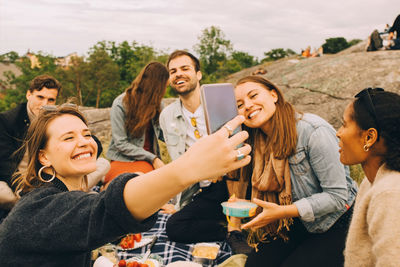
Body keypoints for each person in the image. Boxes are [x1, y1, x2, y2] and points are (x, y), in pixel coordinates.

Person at [0, 105, 251, 266]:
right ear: (43, 157)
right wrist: (190, 167)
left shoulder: (61, 197)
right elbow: (108, 208)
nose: (84, 142)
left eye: (86, 134)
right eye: (68, 137)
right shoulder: (39, 209)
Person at [229, 76, 358, 267]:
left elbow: (337, 196)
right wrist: (247, 204)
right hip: (295, 220)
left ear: (274, 95)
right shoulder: (258, 141)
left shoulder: (313, 130)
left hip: (337, 221)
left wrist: (282, 211)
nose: (247, 105)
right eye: (240, 105)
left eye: (253, 95)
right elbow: (278, 195)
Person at [160, 50, 243, 248]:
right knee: (175, 227)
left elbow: (242, 145)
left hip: (233, 181)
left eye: (185, 68)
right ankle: (226, 228)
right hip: (203, 189)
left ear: (198, 74)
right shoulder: (167, 115)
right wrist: (178, 203)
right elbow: (178, 162)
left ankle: (237, 225)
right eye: (173, 71)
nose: (178, 74)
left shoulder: (222, 103)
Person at [0, 75, 110, 222]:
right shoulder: (7, 120)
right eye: (40, 97)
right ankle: (42, 204)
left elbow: (92, 140)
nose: (44, 103)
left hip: (55, 175)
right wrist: (22, 191)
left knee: (104, 164)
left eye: (51, 99)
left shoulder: (57, 117)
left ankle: (62, 199)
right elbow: (5, 163)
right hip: (20, 179)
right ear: (28, 94)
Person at [336, 88, 400, 266]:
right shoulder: (371, 181)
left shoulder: (389, 193)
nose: (338, 133)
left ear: (369, 137)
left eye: (344, 124)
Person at [104, 62, 168, 189]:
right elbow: (120, 143)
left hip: (149, 160)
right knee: (137, 187)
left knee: (160, 187)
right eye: (165, 86)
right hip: (123, 159)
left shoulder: (159, 105)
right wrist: (153, 158)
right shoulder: (120, 104)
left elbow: (163, 135)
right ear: (158, 86)